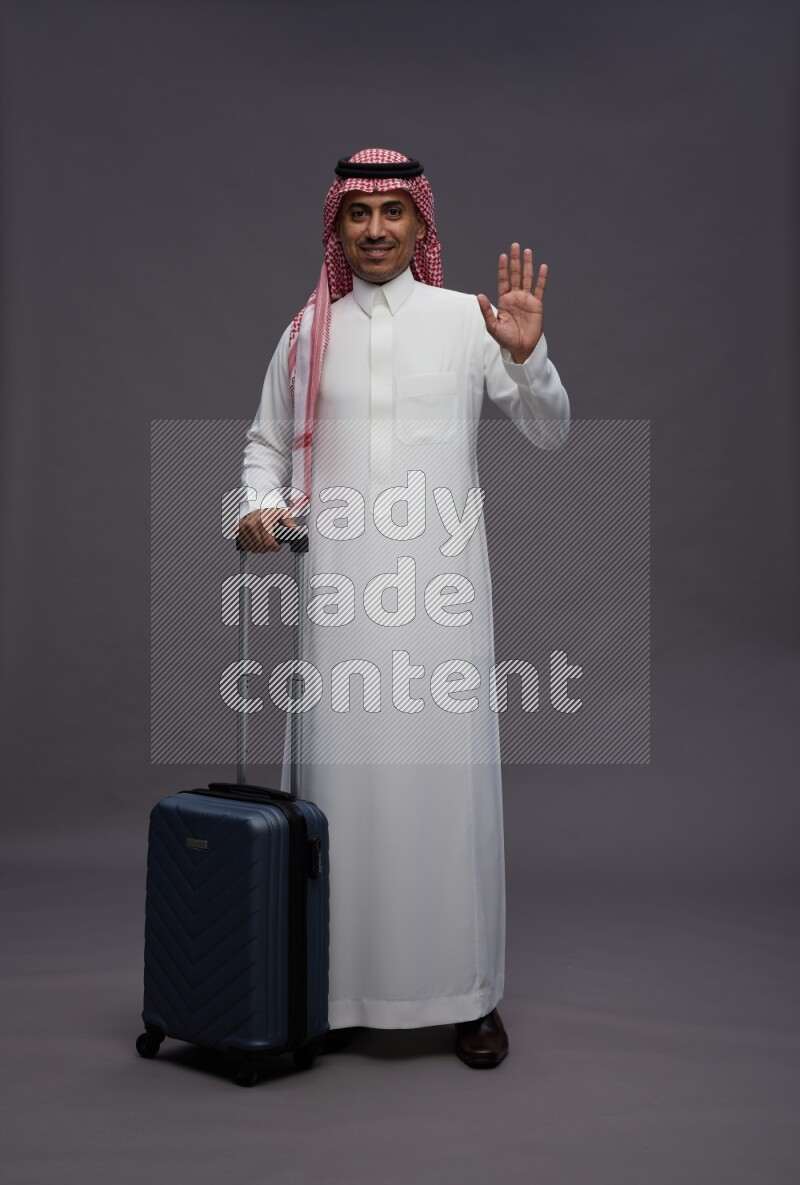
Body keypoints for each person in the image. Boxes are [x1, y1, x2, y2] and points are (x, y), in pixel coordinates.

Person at [236, 148, 570, 1068]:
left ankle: (469, 996)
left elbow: (551, 431)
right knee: (340, 796)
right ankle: (332, 991)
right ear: (336, 228)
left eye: (394, 213)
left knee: (446, 799)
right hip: (338, 600)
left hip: (441, 603)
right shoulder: (309, 332)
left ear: (422, 226)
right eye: (359, 215)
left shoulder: (471, 322)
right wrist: (256, 506)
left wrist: (528, 356)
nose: (377, 230)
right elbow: (265, 446)